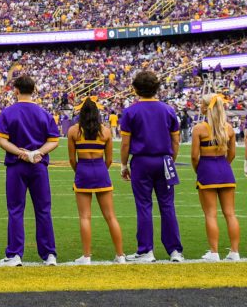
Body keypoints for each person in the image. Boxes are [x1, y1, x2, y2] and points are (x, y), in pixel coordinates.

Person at [119, 70, 184, 262]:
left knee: (144, 205)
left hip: (141, 161)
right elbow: (176, 140)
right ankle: (174, 250)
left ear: (136, 88)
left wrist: (123, 164)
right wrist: (171, 159)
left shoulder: (131, 111)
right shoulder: (168, 110)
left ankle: (146, 250)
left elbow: (125, 144)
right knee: (167, 205)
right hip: (164, 159)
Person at [0, 74, 59, 266]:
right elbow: (53, 141)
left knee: (15, 210)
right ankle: (49, 254)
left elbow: (2, 141)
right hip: (39, 166)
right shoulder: (44, 113)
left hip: (17, 166)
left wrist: (22, 153)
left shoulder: (8, 112)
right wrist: (37, 152)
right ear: (34, 90)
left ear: (16, 91)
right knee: (43, 210)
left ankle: (14, 254)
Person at [67, 96, 125, 264]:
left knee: (85, 217)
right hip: (101, 170)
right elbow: (109, 160)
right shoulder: (105, 131)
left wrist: (80, 171)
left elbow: (72, 159)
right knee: (111, 216)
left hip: (83, 170)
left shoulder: (73, 131)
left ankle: (86, 257)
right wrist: (99, 170)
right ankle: (120, 255)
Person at [191, 94, 239, 261]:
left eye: (201, 104)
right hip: (226, 171)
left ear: (206, 108)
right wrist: (223, 166)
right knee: (230, 214)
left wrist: (200, 170)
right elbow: (232, 154)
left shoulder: (199, 129)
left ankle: (214, 252)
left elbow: (194, 157)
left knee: (210, 214)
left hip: (207, 170)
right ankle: (234, 252)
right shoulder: (229, 128)